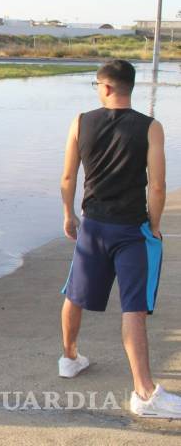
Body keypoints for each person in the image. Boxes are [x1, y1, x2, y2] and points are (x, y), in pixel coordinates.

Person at [58, 59, 178, 417]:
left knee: (75, 293)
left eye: (97, 85)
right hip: (130, 230)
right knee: (133, 308)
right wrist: (154, 225)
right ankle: (144, 393)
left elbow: (68, 178)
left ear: (107, 87)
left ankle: (69, 359)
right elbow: (158, 185)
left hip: (93, 226)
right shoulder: (150, 127)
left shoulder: (80, 122)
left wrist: (68, 215)